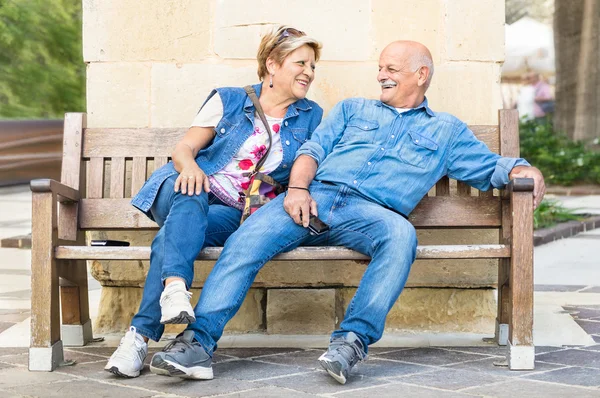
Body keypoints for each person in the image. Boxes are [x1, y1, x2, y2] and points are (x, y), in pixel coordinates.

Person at [148, 40, 546, 384]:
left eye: (391, 69)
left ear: (421, 74)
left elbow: (489, 166)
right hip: (312, 198)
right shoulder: (353, 109)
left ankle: (350, 343)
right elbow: (312, 151)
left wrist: (522, 168)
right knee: (246, 240)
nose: (381, 76)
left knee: (401, 235)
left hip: (370, 214)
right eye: (380, 69)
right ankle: (196, 345)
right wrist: (299, 188)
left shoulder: (447, 131)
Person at [103, 25, 323, 378]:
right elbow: (184, 149)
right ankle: (174, 289)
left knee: (170, 239)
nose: (309, 73)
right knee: (191, 196)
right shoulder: (230, 99)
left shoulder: (310, 115)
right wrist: (190, 168)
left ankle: (140, 334)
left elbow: (303, 165)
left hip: (232, 213)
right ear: (272, 64)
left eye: (313, 66)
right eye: (301, 63)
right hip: (180, 188)